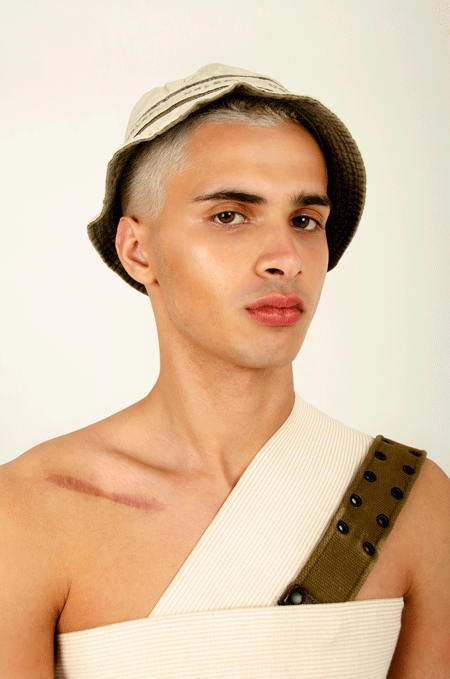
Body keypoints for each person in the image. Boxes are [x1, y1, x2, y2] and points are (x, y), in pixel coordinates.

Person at [1, 64, 449, 679]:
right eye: (230, 216)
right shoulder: (30, 511)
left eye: (305, 220)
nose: (285, 259)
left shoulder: (415, 501)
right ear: (138, 250)